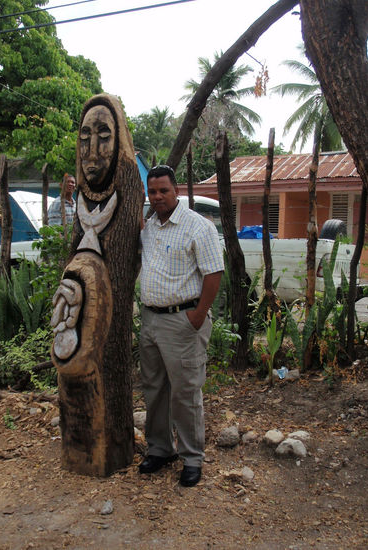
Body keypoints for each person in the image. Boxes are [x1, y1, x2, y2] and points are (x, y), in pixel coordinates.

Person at [139, 165, 224, 487]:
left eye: (164, 190)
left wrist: (198, 315)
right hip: (150, 319)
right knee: (155, 390)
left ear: (177, 191)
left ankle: (191, 458)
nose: (158, 196)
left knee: (185, 393)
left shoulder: (196, 226)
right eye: (153, 191)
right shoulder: (149, 227)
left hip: (183, 321)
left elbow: (214, 273)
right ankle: (160, 449)